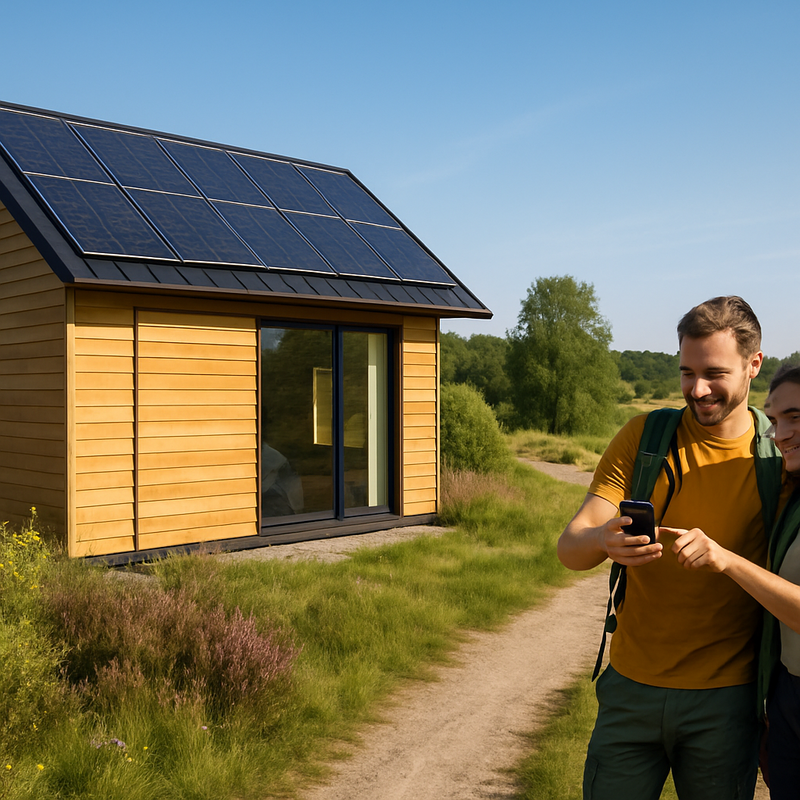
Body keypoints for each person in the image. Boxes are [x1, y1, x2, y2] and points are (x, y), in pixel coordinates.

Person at [558, 296, 779, 800]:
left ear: (754, 364)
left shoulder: (777, 459)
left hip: (726, 701)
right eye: (686, 372)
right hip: (630, 690)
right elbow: (570, 549)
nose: (697, 390)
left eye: (714, 373)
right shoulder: (644, 436)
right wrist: (602, 539)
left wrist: (726, 560)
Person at [664, 364, 800, 799]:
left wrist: (726, 560)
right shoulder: (792, 496)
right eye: (776, 420)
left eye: (795, 417)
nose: (779, 435)